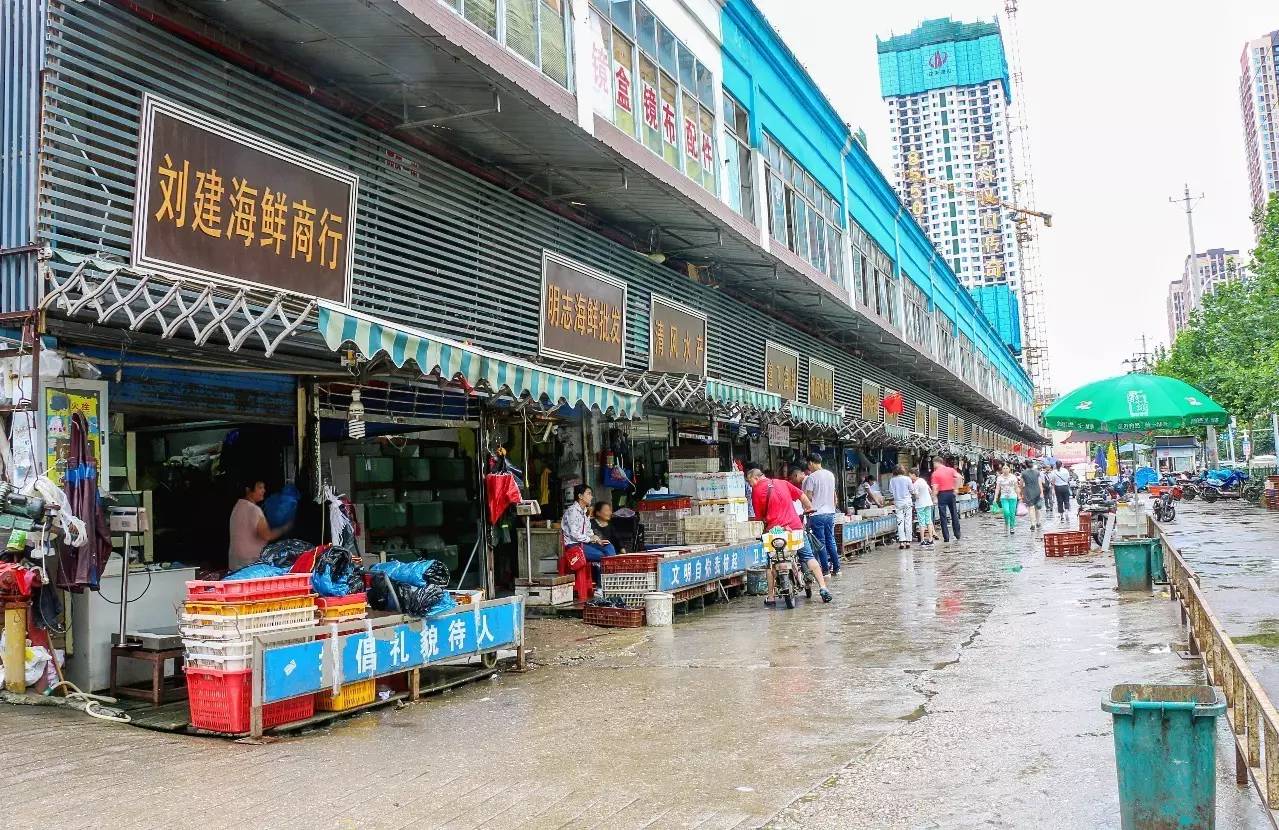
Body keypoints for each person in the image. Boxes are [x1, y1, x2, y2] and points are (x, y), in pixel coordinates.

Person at [746, 464, 832, 605]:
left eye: (750, 482)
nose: (751, 485)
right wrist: (809, 507)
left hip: (774, 532)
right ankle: (823, 588)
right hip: (795, 528)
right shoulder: (782, 482)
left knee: (771, 563)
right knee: (808, 556)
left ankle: (771, 596)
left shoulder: (756, 490)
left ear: (755, 478)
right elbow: (801, 495)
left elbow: (759, 516)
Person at [560, 484, 615, 596]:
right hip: (573, 546)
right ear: (580, 496)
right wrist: (590, 539)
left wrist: (596, 539)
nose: (591, 497)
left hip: (584, 543)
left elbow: (589, 531)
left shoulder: (584, 512)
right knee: (603, 556)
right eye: (588, 494)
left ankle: (611, 582)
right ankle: (601, 588)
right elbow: (575, 535)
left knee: (608, 546)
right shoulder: (572, 511)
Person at [228, 478, 291, 571]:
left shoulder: (238, 505)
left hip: (235, 562)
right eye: (260, 487)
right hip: (250, 564)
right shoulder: (254, 510)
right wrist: (285, 528)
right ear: (248, 490)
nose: (264, 490)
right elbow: (267, 535)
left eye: (263, 487)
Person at [803, 453, 840, 576]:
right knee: (831, 540)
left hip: (817, 514)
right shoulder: (830, 475)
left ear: (811, 463)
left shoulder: (811, 477)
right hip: (830, 513)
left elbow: (808, 497)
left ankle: (825, 570)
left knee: (820, 543)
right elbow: (834, 494)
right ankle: (837, 568)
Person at [930, 457, 962, 542]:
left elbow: (935, 488)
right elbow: (959, 477)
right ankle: (957, 534)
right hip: (951, 493)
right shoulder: (950, 470)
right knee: (954, 513)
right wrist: (956, 488)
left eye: (933, 464)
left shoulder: (935, 473)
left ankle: (946, 537)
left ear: (936, 463)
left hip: (942, 494)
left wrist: (934, 497)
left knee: (943, 516)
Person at [889, 465, 914, 550]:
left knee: (900, 521)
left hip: (898, 503)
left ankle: (902, 541)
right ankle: (908, 541)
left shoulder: (892, 480)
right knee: (908, 521)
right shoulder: (907, 479)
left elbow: (891, 492)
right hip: (907, 502)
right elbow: (912, 490)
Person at [910, 469, 935, 547]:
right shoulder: (923, 480)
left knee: (921, 523)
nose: (909, 477)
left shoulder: (915, 484)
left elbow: (916, 496)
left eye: (910, 475)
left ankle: (922, 540)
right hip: (928, 503)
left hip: (920, 504)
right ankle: (931, 539)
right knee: (929, 521)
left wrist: (912, 494)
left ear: (914, 475)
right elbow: (930, 491)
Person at [994, 463, 1020, 534]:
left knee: (1012, 513)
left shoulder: (1013, 477)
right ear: (1002, 469)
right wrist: (995, 498)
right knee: (1006, 512)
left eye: (1006, 468)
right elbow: (997, 488)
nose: (1005, 470)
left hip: (1013, 497)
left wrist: (1019, 496)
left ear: (1009, 469)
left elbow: (1016, 487)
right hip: (1004, 497)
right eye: (1004, 468)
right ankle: (1006, 522)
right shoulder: (999, 478)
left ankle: (1012, 527)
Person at [1018, 463, 1044, 532]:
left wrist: (1020, 492)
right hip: (1037, 491)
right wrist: (1041, 492)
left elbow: (1021, 484)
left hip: (1028, 492)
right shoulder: (1037, 472)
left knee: (1031, 508)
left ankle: (1033, 523)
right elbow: (1040, 483)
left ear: (1025, 465)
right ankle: (1038, 522)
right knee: (1037, 508)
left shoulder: (1023, 473)